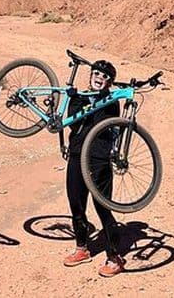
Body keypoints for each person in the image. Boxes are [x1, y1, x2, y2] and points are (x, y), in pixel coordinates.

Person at [62, 59, 126, 277]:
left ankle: (115, 257)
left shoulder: (110, 101)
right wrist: (74, 99)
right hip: (77, 155)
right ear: (90, 75)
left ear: (110, 82)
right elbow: (73, 124)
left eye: (105, 76)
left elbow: (113, 127)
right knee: (76, 203)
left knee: (102, 207)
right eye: (96, 73)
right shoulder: (80, 97)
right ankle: (82, 249)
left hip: (98, 159)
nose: (100, 78)